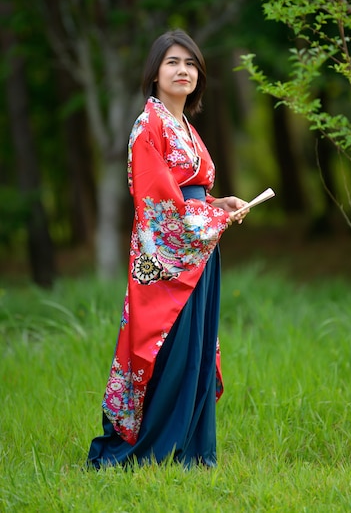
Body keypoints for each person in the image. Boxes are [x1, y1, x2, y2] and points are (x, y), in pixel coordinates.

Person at [87, 29, 249, 469]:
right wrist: (212, 218)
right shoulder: (148, 125)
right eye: (173, 62)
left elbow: (191, 193)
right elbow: (158, 204)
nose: (183, 70)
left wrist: (219, 203)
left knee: (194, 347)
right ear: (155, 74)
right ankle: (151, 450)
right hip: (166, 259)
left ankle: (190, 449)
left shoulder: (186, 128)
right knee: (168, 351)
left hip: (200, 252)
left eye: (191, 63)